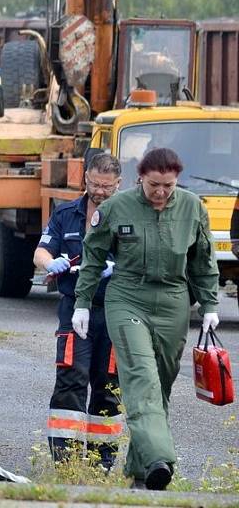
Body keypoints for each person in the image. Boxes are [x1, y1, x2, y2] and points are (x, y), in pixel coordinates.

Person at [74, 147, 219, 490]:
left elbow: (203, 261)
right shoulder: (115, 208)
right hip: (128, 297)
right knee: (141, 377)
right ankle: (161, 459)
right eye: (155, 184)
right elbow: (92, 255)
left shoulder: (192, 207)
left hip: (172, 301)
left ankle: (141, 473)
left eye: (168, 186)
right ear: (140, 178)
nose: (161, 192)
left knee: (161, 385)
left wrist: (211, 306)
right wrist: (82, 301)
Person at [34, 153, 124, 469]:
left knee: (108, 384)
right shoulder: (66, 213)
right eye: (94, 184)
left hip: (113, 311)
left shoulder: (128, 217)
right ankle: (66, 460)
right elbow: (41, 251)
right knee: (71, 378)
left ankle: (102, 463)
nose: (99, 192)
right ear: (85, 178)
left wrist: (118, 267)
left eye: (106, 187)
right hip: (74, 310)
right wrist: (50, 262)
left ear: (118, 184)